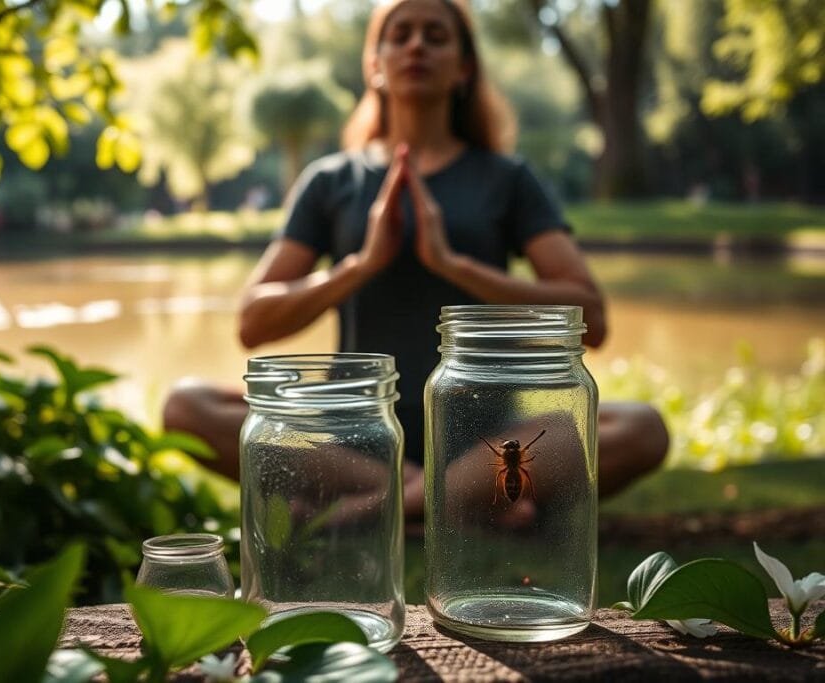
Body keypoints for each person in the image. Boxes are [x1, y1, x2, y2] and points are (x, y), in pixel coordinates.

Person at [163, 0, 668, 520]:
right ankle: (459, 504)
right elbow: (252, 322)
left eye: (435, 35)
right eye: (400, 34)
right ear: (374, 63)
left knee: (641, 428)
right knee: (186, 407)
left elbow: (593, 318)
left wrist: (454, 265)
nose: (417, 46)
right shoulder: (332, 181)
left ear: (464, 66)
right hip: (353, 432)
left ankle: (372, 511)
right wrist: (359, 265)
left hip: (486, 437)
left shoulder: (507, 179)